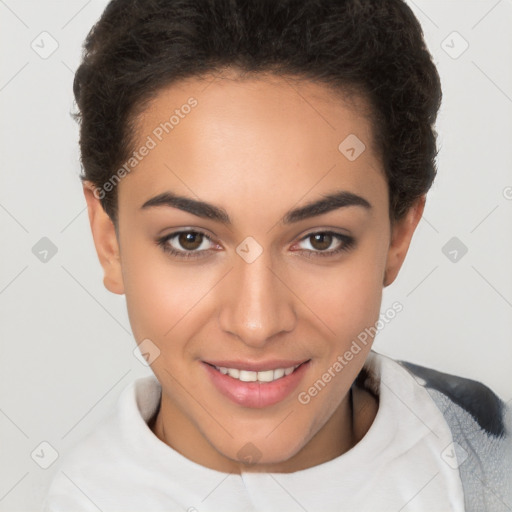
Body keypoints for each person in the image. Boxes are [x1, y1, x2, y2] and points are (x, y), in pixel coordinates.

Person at [42, 0, 511, 510]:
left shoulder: (488, 463)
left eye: (320, 240)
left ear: (399, 236)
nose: (257, 323)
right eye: (190, 240)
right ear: (108, 239)